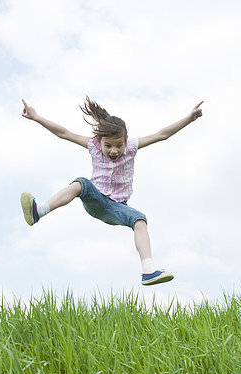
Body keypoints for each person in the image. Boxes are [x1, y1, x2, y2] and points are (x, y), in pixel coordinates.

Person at [20, 96, 204, 286]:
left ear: (126, 140)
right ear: (100, 142)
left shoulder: (132, 147)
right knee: (81, 183)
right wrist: (37, 117)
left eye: (119, 145)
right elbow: (64, 133)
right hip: (96, 199)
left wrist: (189, 119)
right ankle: (38, 211)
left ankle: (149, 270)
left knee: (139, 220)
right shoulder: (93, 146)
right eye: (108, 145)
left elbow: (162, 134)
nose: (114, 151)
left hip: (117, 207)